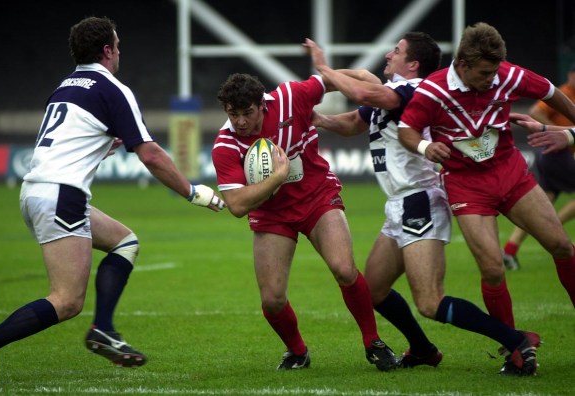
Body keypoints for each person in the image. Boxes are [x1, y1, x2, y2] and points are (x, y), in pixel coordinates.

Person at [0, 16, 224, 386]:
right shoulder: (112, 88)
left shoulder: (65, 86)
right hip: (61, 195)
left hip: (38, 191)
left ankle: (104, 329)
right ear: (108, 50)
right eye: (118, 46)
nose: (119, 53)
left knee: (125, 242)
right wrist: (193, 192)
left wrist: (100, 148)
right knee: (66, 301)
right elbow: (151, 155)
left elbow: (69, 142)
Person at [305, 33, 542, 376]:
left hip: (419, 199)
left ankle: (516, 340)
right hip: (399, 203)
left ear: (413, 64)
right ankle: (423, 350)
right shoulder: (391, 96)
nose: (388, 54)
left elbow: (362, 91)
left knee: (430, 302)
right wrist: (321, 120)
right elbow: (355, 121)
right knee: (374, 289)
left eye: (397, 51)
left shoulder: (414, 89)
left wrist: (323, 67)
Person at [398, 22, 575, 375]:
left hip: (509, 172)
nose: (491, 79)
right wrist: (424, 145)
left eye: (495, 71)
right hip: (466, 185)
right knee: (492, 269)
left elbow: (552, 91)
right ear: (462, 64)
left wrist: (572, 131)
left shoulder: (506, 75)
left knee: (562, 245)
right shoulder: (434, 90)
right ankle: (515, 347)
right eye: (484, 72)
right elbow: (406, 129)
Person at [211, 72, 399, 372]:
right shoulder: (225, 145)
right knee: (272, 299)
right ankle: (297, 351)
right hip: (272, 214)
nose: (241, 122)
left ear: (263, 104)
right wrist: (276, 178)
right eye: (233, 115)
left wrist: (371, 82)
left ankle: (373, 341)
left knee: (344, 269)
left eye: (247, 113)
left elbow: (331, 79)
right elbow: (236, 205)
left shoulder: (289, 98)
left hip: (317, 196)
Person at [502, 64, 575, 270]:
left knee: (546, 200)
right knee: (548, 209)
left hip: (553, 155)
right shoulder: (565, 93)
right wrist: (557, 132)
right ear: (570, 75)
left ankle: (510, 250)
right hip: (557, 155)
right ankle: (552, 230)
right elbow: (535, 111)